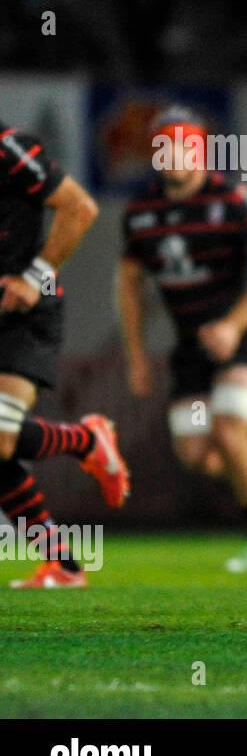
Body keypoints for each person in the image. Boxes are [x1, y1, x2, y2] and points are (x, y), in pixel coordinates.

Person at [118, 107, 247, 574]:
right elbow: (129, 285)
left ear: (199, 150)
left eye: (180, 146)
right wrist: (136, 354)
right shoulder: (141, 210)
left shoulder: (234, 199)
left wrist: (234, 325)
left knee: (228, 430)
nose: (170, 156)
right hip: (189, 345)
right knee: (200, 457)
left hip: (243, 337)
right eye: (161, 146)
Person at [0, 125, 130, 589]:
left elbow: (80, 206)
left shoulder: (9, 146)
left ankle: (85, 440)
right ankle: (63, 564)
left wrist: (35, 277)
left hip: (25, 306)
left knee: (0, 440)